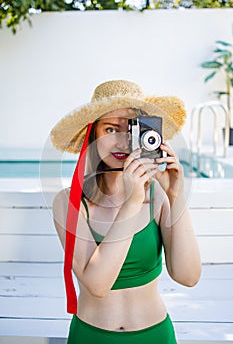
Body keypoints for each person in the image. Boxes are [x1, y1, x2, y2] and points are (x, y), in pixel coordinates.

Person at [51, 80, 201, 344]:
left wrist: (176, 196)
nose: (122, 142)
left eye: (130, 130)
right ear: (93, 136)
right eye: (111, 129)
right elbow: (97, 285)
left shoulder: (159, 197)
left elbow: (188, 276)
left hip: (155, 335)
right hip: (91, 336)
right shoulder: (70, 202)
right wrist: (132, 202)